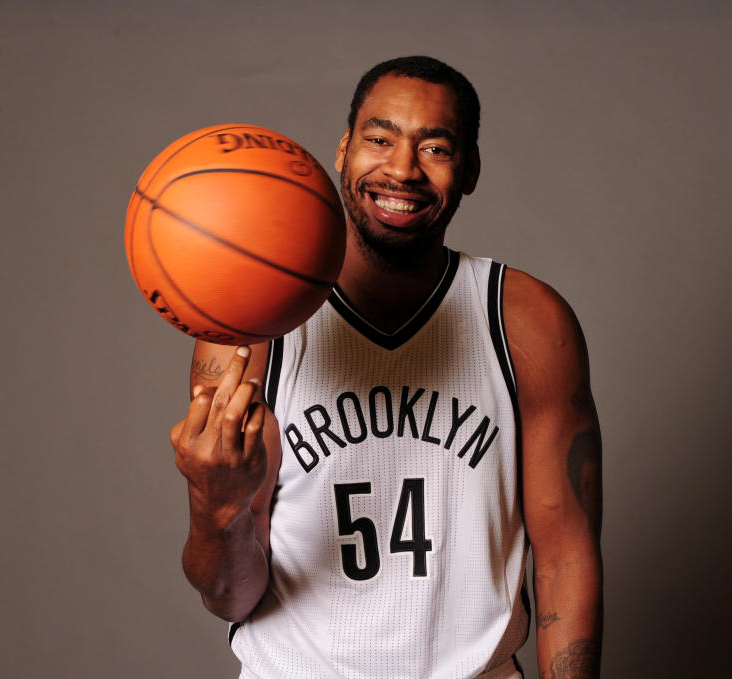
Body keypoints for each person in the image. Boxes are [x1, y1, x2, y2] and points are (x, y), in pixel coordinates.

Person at [170, 56, 603, 679]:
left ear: (471, 169)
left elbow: (566, 555)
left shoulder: (525, 321)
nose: (402, 169)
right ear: (343, 151)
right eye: (379, 139)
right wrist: (215, 507)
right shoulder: (251, 332)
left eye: (435, 147)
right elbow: (229, 595)